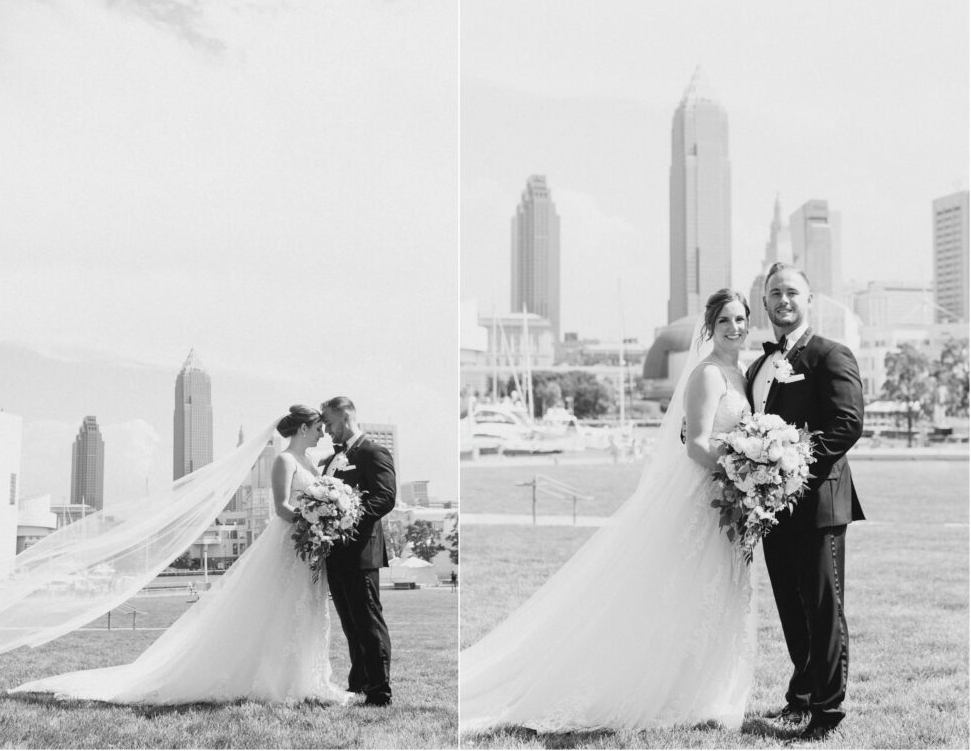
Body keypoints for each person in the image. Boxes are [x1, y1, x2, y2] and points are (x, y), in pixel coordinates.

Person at [459, 290, 757, 733]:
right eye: (726, 320)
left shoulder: (739, 373)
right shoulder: (709, 374)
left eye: (741, 320)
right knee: (678, 592)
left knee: (713, 593)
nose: (735, 327)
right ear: (710, 327)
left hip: (727, 503)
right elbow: (695, 444)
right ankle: (650, 688)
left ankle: (699, 691)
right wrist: (744, 468)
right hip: (702, 498)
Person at [8, 405, 349, 705]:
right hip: (289, 546)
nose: (323, 432)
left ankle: (306, 681)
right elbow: (281, 508)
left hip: (308, 548)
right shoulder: (284, 461)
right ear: (304, 428)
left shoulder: (310, 462)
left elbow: (313, 497)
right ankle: (275, 683)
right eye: (319, 427)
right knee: (280, 612)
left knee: (304, 611)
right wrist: (314, 519)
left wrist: (327, 519)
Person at [746, 262, 864, 740]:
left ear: (809, 299)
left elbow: (846, 424)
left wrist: (792, 473)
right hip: (772, 509)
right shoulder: (758, 366)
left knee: (822, 608)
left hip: (818, 504)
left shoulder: (832, 354)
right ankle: (801, 699)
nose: (783, 300)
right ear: (765, 302)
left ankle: (827, 714)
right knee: (791, 610)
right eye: (774, 293)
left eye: (792, 292)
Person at [319, 396, 396, 706]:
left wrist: (347, 518)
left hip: (361, 552)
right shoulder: (332, 459)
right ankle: (359, 682)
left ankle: (380, 691)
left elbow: (385, 497)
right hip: (335, 555)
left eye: (328, 422)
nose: (325, 429)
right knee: (350, 623)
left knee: (368, 622)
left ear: (346, 417)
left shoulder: (373, 452)